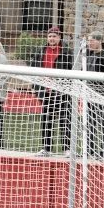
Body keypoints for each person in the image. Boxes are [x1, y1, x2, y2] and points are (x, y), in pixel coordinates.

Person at [30, 26, 73, 157]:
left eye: (54, 36)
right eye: (49, 36)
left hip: (61, 92)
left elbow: (71, 71)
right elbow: (34, 70)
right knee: (46, 120)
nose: (52, 39)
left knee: (64, 120)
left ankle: (67, 149)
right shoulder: (41, 51)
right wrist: (35, 88)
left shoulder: (66, 52)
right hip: (46, 92)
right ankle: (46, 148)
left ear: (59, 38)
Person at [84, 31, 104, 160]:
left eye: (92, 40)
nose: (89, 43)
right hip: (89, 94)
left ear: (99, 41)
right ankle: (89, 149)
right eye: (89, 41)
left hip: (102, 94)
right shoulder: (88, 56)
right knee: (90, 122)